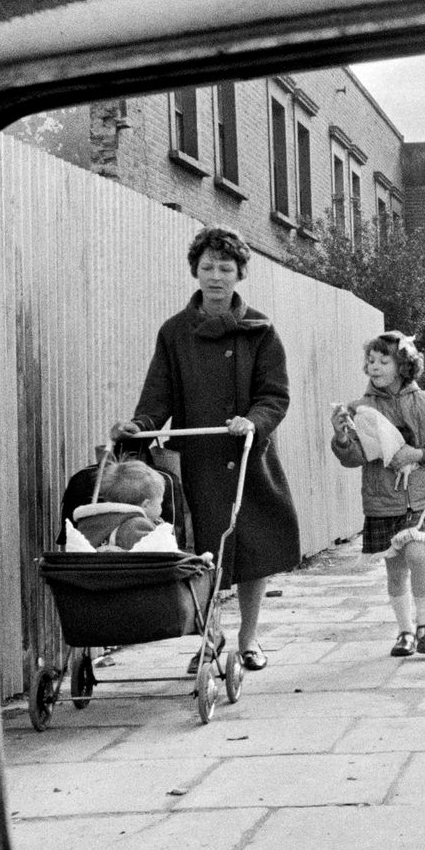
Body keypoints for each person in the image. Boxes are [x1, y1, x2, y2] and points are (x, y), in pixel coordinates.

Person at [110, 225, 301, 672]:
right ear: (195, 271)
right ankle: (209, 636)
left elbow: (275, 396)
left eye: (226, 268)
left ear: (240, 274)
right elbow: (159, 397)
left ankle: (249, 639)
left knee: (254, 552)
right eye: (208, 267)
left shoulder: (261, 332)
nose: (216, 276)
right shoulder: (175, 333)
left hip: (249, 458)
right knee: (204, 553)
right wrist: (137, 426)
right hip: (201, 462)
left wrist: (251, 421)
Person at [331, 331, 425, 656]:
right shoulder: (360, 409)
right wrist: (342, 438)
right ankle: (404, 632)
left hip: (422, 498)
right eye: (371, 360)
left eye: (383, 360)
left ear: (403, 365)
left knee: (417, 554)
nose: (374, 366)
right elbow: (355, 457)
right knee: (396, 569)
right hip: (382, 500)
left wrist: (417, 454)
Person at [68, 459, 173, 551]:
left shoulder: (88, 523)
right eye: (160, 503)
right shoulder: (138, 526)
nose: (161, 508)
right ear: (146, 505)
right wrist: (161, 533)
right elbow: (161, 558)